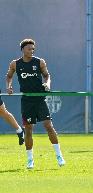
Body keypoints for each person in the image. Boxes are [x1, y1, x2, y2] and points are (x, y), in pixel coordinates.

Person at [6, 39, 65, 169]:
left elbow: (47, 76)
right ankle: (30, 159)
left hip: (39, 99)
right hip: (27, 100)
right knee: (28, 130)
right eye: (29, 49)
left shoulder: (39, 62)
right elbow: (9, 76)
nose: (31, 51)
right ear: (23, 49)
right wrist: (9, 87)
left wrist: (47, 84)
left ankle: (59, 155)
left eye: (33, 49)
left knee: (48, 126)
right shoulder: (15, 64)